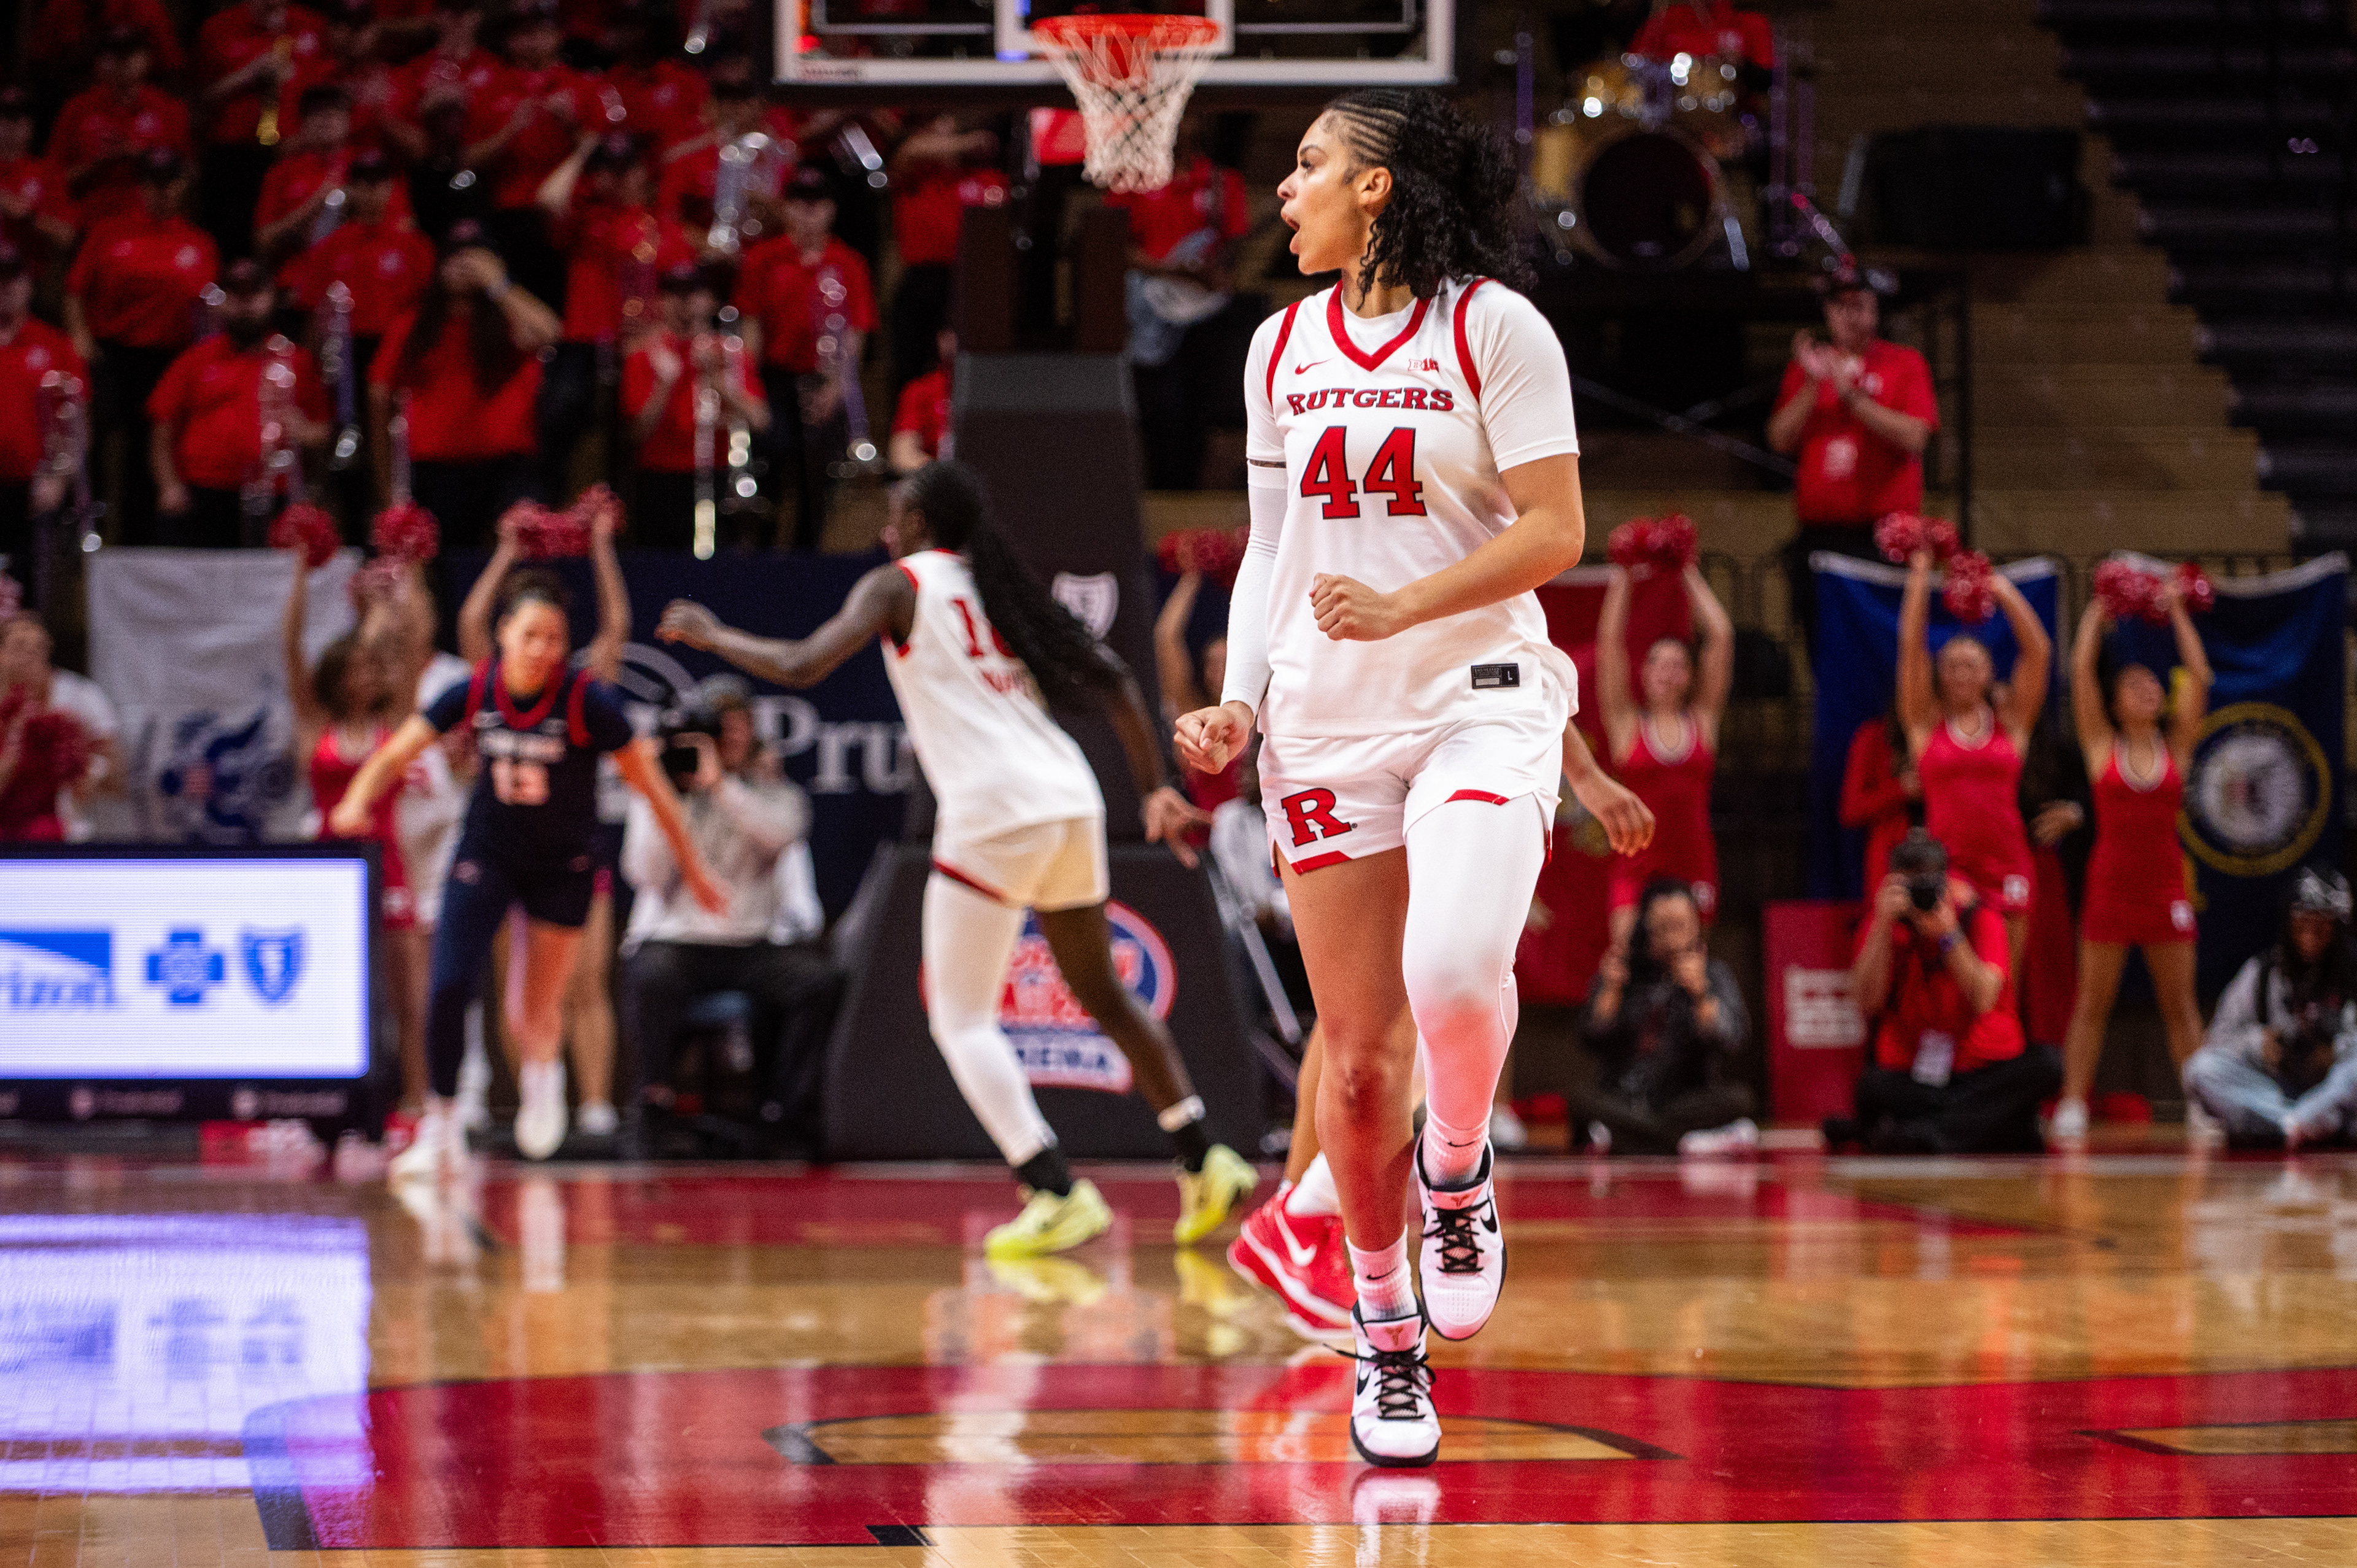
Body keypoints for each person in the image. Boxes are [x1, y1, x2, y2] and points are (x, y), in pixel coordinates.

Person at [1172, 90, 1585, 1468]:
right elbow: (1271, 549)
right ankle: (1385, 1332)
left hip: (1478, 696)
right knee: (1352, 1069)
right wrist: (1240, 699)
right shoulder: (1278, 344)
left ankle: (1456, 1169)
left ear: (1379, 187)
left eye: (1310, 165)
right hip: (1326, 724)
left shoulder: (1495, 328)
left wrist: (1406, 609)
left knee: (1455, 967)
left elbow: (1557, 530)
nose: (1284, 190)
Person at [658, 460, 1261, 1253]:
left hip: (993, 809)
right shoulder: (996, 587)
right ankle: (1204, 1155)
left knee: (960, 1016)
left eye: (897, 511)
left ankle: (1053, 1188)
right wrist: (1152, 788)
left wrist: (713, 635)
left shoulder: (898, 584)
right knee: (1102, 991)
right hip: (1069, 797)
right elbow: (1116, 678)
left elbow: (804, 664)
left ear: (921, 522)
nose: (887, 526)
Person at [1228, 722, 1654, 1340]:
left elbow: (1518, 669)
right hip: (1367, 747)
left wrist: (1582, 773)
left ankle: (1302, 1216)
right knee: (1377, 1011)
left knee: (1410, 1003)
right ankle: (1304, 1216)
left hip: (1437, 749)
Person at [330, 560, 726, 1175]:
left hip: (561, 866)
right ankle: (441, 1126)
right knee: (448, 985)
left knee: (533, 1011)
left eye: (555, 638)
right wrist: (357, 798)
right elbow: (396, 751)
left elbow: (654, 789)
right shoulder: (475, 690)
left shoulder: (586, 700)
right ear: (504, 635)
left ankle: (543, 1075)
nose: (543, 649)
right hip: (487, 855)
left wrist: (696, 871)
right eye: (531, 636)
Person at [449, 494, 636, 1138]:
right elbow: (471, 624)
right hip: (508, 850)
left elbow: (617, 628)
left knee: (584, 982)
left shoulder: (580, 692)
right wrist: (506, 550)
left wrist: (602, 546)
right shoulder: (493, 685)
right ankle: (537, 1099)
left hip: (573, 851)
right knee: (519, 986)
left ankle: (596, 1109)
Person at [621, 676, 841, 1154]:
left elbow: (781, 834)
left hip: (750, 945)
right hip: (680, 941)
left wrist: (722, 786)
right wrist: (666, 796)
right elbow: (645, 874)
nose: (734, 736)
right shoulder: (662, 791)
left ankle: (788, 1115)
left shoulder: (772, 792)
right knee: (651, 974)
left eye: (743, 725)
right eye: (724, 727)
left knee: (815, 982)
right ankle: (654, 1106)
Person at [2052, 581, 2214, 1140]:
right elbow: (2080, 671)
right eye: (2133, 685)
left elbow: (2200, 677)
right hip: (2111, 888)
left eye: (2152, 684)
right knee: (2092, 1001)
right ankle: (2073, 1101)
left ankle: (2202, 1104)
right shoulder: (2103, 747)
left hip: (2166, 887)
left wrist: (2177, 611)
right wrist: (2099, 608)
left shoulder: (2177, 749)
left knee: (2180, 1004)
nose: (2147, 690)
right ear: (2116, 704)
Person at [281, 539, 430, 1116]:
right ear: (337, 677)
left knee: (408, 996)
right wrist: (300, 569)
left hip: (387, 862)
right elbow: (290, 646)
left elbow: (411, 646)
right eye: (355, 669)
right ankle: (318, 1099)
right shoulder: (315, 723)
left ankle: (419, 1104)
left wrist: (408, 575)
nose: (366, 678)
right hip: (325, 869)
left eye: (372, 669)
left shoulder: (396, 723)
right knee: (323, 992)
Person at [1829, 828, 2061, 1154]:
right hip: (1918, 1075)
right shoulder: (1885, 923)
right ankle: (1982, 1128)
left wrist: (1949, 935)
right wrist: (1881, 928)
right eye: (1909, 887)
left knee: (2048, 1066)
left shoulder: (1980, 917)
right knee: (1872, 1087)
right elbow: (1867, 1001)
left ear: (1946, 882)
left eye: (1927, 886)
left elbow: (1984, 999)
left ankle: (1926, 1135)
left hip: (1983, 1070)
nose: (1918, 897)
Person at [1895, 545, 2051, 989]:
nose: (1962, 673)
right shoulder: (1925, 724)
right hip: (1950, 869)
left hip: (2009, 864)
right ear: (1940, 674)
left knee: (2005, 988)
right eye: (1952, 665)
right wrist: (1921, 572)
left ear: (1988, 673)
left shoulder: (2011, 723)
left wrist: (2000, 588)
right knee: (1955, 984)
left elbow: (2039, 651)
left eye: (1972, 664)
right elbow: (1910, 644)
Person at [1765, 270, 1937, 654]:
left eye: (1858, 305)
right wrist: (1813, 385)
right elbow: (1779, 438)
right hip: (1821, 535)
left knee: (1883, 646)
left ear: (1875, 309)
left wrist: (1853, 398)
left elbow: (1916, 436)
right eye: (1838, 306)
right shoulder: (1808, 368)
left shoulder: (1903, 362)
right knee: (1821, 644)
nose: (1848, 315)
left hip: (1882, 537)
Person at [366, 221, 559, 547]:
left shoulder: (509, 319)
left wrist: (499, 284)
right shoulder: (415, 324)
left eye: (473, 257)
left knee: (517, 549)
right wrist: (387, 492)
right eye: (454, 256)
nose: (462, 264)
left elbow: (549, 333)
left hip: (505, 466)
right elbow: (378, 395)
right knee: (447, 561)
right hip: (438, 469)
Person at [64, 147, 217, 546]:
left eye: (169, 182)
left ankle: (148, 537)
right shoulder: (108, 232)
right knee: (106, 441)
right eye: (153, 182)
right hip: (113, 355)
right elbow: (75, 290)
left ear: (181, 186)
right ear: (142, 187)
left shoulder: (198, 242)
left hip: (169, 360)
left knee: (154, 447)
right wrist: (81, 337)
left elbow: (208, 310)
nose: (161, 191)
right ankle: (91, 523)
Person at [535, 129, 694, 492]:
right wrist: (583, 153)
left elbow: (682, 292)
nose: (618, 178)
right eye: (609, 170)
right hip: (586, 346)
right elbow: (547, 199)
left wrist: (657, 335)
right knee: (560, 428)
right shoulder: (587, 219)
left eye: (626, 169)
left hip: (641, 348)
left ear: (641, 172)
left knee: (632, 444)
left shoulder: (664, 227)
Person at [733, 165, 875, 552]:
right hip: (775, 379)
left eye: (817, 203)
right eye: (799, 202)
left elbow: (856, 334)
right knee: (769, 468)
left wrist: (838, 387)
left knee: (818, 479)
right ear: (786, 207)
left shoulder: (849, 263)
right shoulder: (764, 258)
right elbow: (751, 328)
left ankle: (808, 554)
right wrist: (751, 388)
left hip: (823, 381)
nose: (808, 211)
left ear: (832, 209)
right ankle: (761, 555)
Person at [1107, 122, 1253, 490]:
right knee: (1159, 407)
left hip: (1206, 312)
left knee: (1203, 407)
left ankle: (1193, 493)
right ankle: (1159, 491)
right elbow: (1113, 244)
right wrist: (1172, 271)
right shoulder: (1133, 179)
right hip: (1151, 310)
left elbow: (1234, 246)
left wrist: (1216, 272)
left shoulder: (1222, 182)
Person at [1594, 558, 1732, 946]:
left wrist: (1686, 567)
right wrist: (1624, 573)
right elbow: (1610, 645)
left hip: (1693, 863)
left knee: (1690, 967)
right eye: (1658, 663)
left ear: (1690, 677)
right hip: (1635, 865)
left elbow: (1721, 635)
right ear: (1643, 672)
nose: (1667, 672)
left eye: (1678, 665)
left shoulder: (1702, 721)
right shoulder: (1626, 725)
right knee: (1624, 963)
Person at [148, 258, 330, 547]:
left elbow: (324, 431)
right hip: (203, 495)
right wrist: (169, 486)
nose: (245, 304)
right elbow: (162, 427)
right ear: (222, 301)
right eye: (236, 294)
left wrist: (305, 431)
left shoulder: (298, 361)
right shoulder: (195, 359)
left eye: (255, 293)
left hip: (275, 494)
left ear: (272, 297)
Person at [1575, 878, 1755, 1156]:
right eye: (1663, 927)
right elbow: (1590, 1039)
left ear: (1696, 926)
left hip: (1685, 1099)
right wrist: (1610, 992)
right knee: (1580, 1098)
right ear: (1645, 927)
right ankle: (1682, 1141)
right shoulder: (1623, 971)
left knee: (1740, 1099)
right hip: (1624, 1097)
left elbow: (1732, 1041)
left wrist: (1702, 995)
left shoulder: (1714, 974)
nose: (1673, 936)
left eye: (1681, 925)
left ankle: (1628, 1138)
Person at [2184, 866, 2357, 1150]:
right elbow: (2216, 1040)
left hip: (2337, 1090)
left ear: (2339, 928)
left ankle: (2301, 1121)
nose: (2311, 935)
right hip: (2276, 1091)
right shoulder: (2262, 973)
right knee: (2200, 1069)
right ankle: (2297, 1124)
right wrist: (2258, 1045)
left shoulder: (2352, 973)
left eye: (2322, 925)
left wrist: (2335, 1051)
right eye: (2303, 923)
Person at [460, 0, 597, 312]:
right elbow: (467, 160)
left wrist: (573, 125)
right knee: (516, 304)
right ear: (509, 40)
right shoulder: (490, 88)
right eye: (523, 34)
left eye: (541, 32)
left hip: (568, 214)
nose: (533, 41)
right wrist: (508, 133)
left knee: (568, 302)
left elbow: (601, 149)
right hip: (510, 213)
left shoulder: (582, 86)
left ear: (557, 36)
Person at [621, 261, 768, 550]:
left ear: (710, 300)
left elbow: (761, 419)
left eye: (693, 293)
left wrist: (719, 382)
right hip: (660, 477)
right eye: (673, 293)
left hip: (717, 474)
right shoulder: (643, 354)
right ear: (660, 302)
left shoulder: (731, 353)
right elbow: (636, 434)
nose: (684, 302)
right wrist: (664, 385)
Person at [196, 0, 328, 260]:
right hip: (235, 155)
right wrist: (250, 74)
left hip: (295, 151)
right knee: (232, 239)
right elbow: (201, 98)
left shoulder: (310, 24)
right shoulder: (219, 28)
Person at [884, 114, 1005, 396]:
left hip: (969, 283)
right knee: (909, 367)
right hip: (921, 279)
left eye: (948, 134)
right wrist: (967, 142)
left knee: (962, 366)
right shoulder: (914, 177)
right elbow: (909, 151)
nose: (942, 144)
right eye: (936, 135)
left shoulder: (985, 179)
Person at [0, 245, 85, 590]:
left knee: (30, 589)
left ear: (28, 283)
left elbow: (77, 423)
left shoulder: (55, 344)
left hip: (33, 489)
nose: (4, 287)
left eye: (12, 277)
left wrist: (59, 479)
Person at [50, 28, 192, 230]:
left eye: (130, 54)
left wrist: (142, 156)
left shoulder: (169, 109)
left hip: (150, 227)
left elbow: (188, 174)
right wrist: (96, 163)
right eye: (113, 55)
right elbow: (52, 180)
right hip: (88, 223)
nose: (122, 62)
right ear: (98, 63)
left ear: (147, 59)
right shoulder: (77, 109)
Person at [0, 612, 119, 840]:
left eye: (38, 649)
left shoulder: (81, 698)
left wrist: (91, 770)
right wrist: (16, 745)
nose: (29, 657)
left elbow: (117, 780)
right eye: (19, 647)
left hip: (61, 837)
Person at [1839, 698, 1918, 894]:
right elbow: (1851, 810)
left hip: (1948, 853)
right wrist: (1900, 790)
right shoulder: (1874, 737)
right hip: (1890, 858)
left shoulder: (1948, 737)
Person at [0, 90, 80, 270]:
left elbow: (68, 236)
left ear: (31, 125)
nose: (11, 126)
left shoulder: (46, 172)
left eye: (19, 118)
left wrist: (29, 216)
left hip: (27, 272)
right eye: (5, 118)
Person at [888, 324, 954, 474]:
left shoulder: (992, 389)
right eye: (948, 334)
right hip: (937, 479)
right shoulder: (920, 390)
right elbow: (902, 456)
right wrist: (944, 474)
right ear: (940, 339)